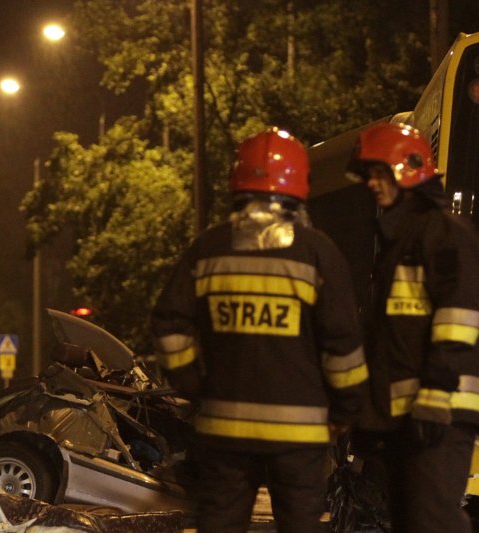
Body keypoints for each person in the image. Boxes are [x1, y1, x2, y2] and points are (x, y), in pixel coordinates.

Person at [151, 127, 368, 533]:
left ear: (238, 183)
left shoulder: (208, 248)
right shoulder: (318, 253)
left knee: (220, 524)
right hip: (300, 434)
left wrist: (193, 383)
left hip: (225, 427)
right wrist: (345, 411)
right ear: (298, 185)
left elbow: (168, 323)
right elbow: (342, 346)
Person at [347, 122, 479, 533]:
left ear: (409, 168)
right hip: (406, 415)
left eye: (379, 173)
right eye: (368, 175)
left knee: (432, 521)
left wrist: (437, 392)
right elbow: (387, 339)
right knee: (411, 522)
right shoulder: (399, 239)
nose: (371, 183)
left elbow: (459, 315)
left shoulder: (443, 232)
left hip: (441, 410)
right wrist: (369, 417)